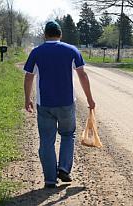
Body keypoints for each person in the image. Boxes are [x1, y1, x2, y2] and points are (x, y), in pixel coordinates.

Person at [23, 20, 95, 188]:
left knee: (47, 140)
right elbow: (82, 75)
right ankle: (63, 168)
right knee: (68, 135)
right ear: (60, 34)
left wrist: (27, 98)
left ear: (45, 35)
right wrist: (90, 98)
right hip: (66, 103)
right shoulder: (71, 50)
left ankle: (49, 179)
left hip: (45, 104)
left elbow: (28, 76)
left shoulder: (37, 52)